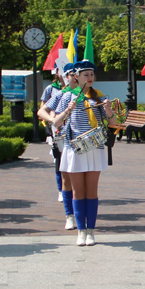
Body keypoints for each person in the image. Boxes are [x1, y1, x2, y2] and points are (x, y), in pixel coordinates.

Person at [52, 60, 120, 246]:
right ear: (76, 77)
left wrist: (108, 110)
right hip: (74, 148)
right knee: (78, 192)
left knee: (91, 192)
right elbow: (56, 123)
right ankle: (81, 231)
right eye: (85, 75)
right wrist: (67, 110)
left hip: (95, 147)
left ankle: (91, 232)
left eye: (91, 74)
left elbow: (113, 124)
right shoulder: (68, 97)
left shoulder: (98, 96)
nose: (89, 78)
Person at [40, 64, 80, 230]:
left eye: (76, 74)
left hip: (83, 140)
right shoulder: (61, 94)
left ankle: (81, 214)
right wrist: (54, 122)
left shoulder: (89, 94)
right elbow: (42, 111)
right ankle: (69, 215)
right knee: (66, 177)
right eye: (70, 74)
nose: (73, 77)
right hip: (64, 138)